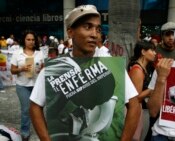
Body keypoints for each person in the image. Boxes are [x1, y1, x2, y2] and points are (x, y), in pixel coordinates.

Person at [29, 5, 140, 141]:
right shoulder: (54, 69)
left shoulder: (113, 66)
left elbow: (134, 105)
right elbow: (35, 106)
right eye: (87, 27)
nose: (94, 34)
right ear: (70, 32)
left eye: (97, 29)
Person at [10, 29, 44, 141]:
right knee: (26, 110)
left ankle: (42, 131)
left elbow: (44, 68)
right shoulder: (17, 53)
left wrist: (41, 70)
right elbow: (12, 70)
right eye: (28, 39)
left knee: (39, 109)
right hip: (22, 86)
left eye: (33, 39)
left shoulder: (39, 53)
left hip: (37, 85)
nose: (31, 41)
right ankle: (25, 133)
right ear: (24, 40)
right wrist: (21, 68)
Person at [127, 41, 156, 141]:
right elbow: (136, 98)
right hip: (135, 111)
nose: (155, 53)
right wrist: (151, 90)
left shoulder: (142, 68)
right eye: (152, 50)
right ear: (143, 52)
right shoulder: (137, 70)